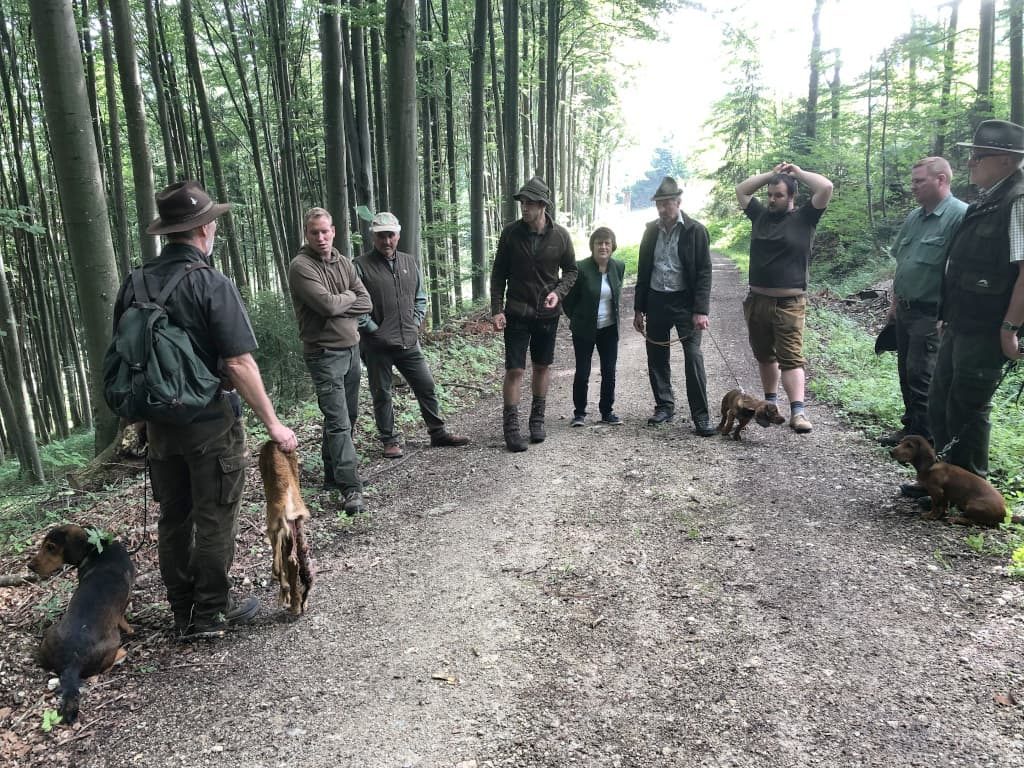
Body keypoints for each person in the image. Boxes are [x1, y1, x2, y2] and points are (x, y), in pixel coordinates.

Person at [112, 180, 298, 640]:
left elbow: (129, 357)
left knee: (173, 517)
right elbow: (238, 362)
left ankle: (182, 611)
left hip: (159, 425)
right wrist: (273, 424)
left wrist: (138, 420)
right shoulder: (210, 282)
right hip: (211, 420)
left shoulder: (133, 282)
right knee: (214, 514)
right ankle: (212, 611)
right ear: (204, 228)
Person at [927, 119, 1024, 481]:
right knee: (942, 401)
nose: (971, 164)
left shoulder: (1017, 201)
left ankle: (969, 488)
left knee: (967, 406)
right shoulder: (990, 200)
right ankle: (941, 480)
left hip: (986, 327)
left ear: (1004, 160)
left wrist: (1009, 329)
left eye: (978, 157)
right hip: (961, 321)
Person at [353, 212, 469, 457]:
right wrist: (374, 330)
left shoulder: (409, 261)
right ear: (373, 237)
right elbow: (355, 305)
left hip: (408, 339)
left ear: (398, 235)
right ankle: (389, 440)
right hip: (376, 344)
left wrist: (415, 322)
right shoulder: (360, 266)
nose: (386, 241)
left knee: (425, 384)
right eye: (381, 236)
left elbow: (420, 297)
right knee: (382, 392)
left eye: (391, 235)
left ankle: (437, 432)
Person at [735, 162, 834, 433]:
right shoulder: (760, 216)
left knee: (791, 358)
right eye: (769, 195)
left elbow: (826, 187)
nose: (772, 200)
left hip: (789, 303)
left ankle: (798, 413)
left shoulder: (805, 217)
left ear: (792, 197)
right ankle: (769, 406)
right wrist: (771, 175)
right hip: (757, 300)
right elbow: (742, 191)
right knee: (765, 356)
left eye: (778, 195)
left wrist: (798, 173)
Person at [288, 207, 372, 514]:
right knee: (338, 421)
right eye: (314, 232)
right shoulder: (301, 266)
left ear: (333, 231)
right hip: (323, 353)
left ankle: (331, 474)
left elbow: (367, 301)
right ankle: (351, 488)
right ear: (306, 234)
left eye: (325, 231)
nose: (321, 237)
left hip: (351, 350)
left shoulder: (343, 262)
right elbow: (326, 306)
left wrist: (344, 300)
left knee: (347, 417)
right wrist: (347, 298)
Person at [880, 157, 967, 448]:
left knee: (922, 377)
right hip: (905, 309)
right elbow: (903, 263)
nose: (912, 186)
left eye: (919, 181)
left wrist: (949, 315)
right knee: (906, 372)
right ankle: (910, 431)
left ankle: (926, 444)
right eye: (913, 181)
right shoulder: (915, 218)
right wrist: (894, 304)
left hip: (931, 314)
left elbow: (961, 273)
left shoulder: (959, 217)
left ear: (941, 180)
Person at [490, 176, 578, 451]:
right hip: (516, 312)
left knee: (542, 366)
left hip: (547, 314)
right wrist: (497, 310)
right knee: (515, 370)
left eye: (529, 203)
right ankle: (511, 429)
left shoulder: (561, 236)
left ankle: (537, 421)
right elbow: (498, 274)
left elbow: (572, 271)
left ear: (542, 206)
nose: (524, 208)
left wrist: (558, 293)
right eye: (522, 203)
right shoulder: (511, 234)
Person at [633, 177, 715, 436]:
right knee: (656, 355)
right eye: (659, 204)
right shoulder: (650, 231)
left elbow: (704, 272)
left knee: (693, 356)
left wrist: (701, 310)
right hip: (656, 299)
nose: (662, 208)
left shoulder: (695, 230)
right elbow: (643, 271)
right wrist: (639, 309)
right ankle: (664, 406)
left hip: (685, 303)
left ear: (678, 202)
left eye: (667, 203)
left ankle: (701, 417)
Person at [563, 226, 625, 427]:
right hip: (584, 329)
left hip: (609, 328)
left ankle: (607, 411)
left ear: (612, 246)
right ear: (593, 246)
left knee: (609, 370)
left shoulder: (618, 267)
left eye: (607, 243)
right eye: (599, 243)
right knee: (582, 371)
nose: (603, 247)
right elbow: (568, 299)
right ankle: (579, 413)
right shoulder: (580, 268)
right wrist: (577, 317)